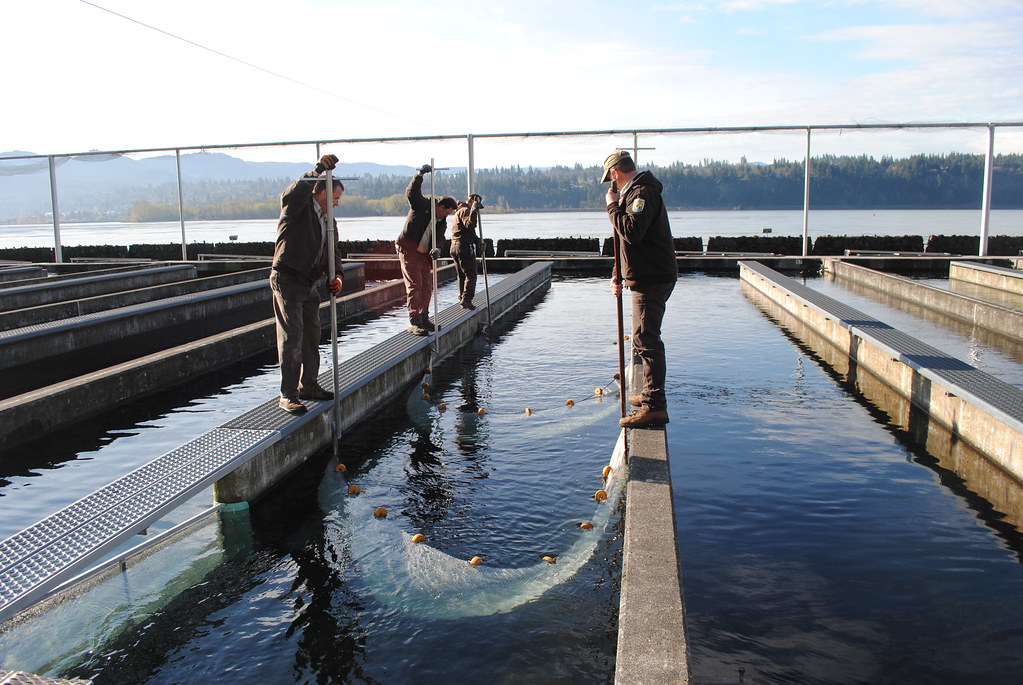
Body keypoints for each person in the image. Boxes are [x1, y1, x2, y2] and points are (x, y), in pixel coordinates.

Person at [601, 150, 678, 428]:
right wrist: (617, 276)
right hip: (645, 275)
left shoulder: (641, 193)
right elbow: (624, 244)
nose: (612, 185)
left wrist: (612, 207)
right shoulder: (632, 194)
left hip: (652, 277)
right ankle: (648, 395)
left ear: (615, 173)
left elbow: (632, 232)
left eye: (611, 179)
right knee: (641, 338)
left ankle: (655, 406)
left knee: (646, 339)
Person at [270, 154, 345, 415]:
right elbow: (291, 194)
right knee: (292, 336)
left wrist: (338, 276)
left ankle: (309, 385)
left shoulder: (329, 220)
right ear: (321, 193)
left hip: (308, 282)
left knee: (312, 335)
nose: (336, 203)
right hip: (288, 278)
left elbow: (333, 252)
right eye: (335, 198)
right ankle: (288, 394)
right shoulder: (298, 208)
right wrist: (316, 171)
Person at [395, 164, 458, 335]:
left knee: (426, 287)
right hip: (409, 251)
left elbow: (439, 239)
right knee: (415, 285)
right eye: (447, 212)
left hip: (424, 255)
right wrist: (420, 175)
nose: (447, 216)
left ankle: (424, 318)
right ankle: (414, 321)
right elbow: (411, 193)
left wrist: (437, 249)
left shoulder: (441, 222)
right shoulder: (422, 205)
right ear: (441, 206)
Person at [450, 193, 484, 309]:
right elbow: (470, 225)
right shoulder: (465, 211)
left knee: (461, 275)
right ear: (472, 202)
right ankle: (467, 299)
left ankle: (462, 298)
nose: (478, 210)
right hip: (463, 247)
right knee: (471, 275)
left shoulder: (458, 212)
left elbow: (469, 232)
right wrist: (473, 210)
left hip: (455, 245)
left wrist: (479, 242)